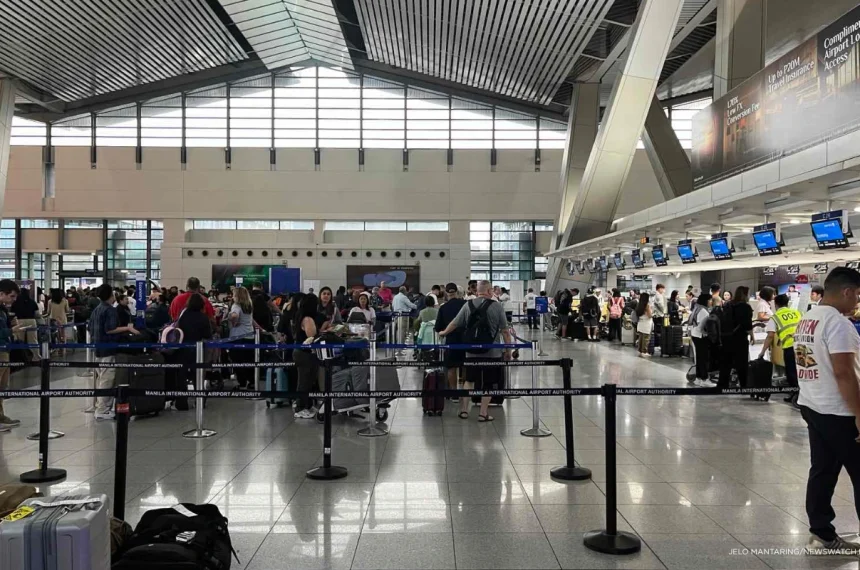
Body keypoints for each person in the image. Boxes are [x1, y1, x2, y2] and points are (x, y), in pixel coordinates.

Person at [792, 267, 860, 554]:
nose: (857, 301)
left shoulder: (808, 319)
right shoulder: (838, 324)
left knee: (823, 470)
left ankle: (822, 532)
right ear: (846, 291)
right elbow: (844, 373)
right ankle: (823, 533)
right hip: (840, 412)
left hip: (813, 405)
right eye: (857, 295)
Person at [439, 280, 512, 422]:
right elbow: (505, 331)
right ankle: (483, 413)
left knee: (469, 380)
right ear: (489, 291)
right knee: (489, 382)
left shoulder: (468, 305)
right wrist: (508, 350)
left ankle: (464, 410)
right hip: (492, 351)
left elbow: (455, 322)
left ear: (477, 291)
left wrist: (444, 332)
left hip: (471, 350)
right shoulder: (497, 306)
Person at [89, 284, 139, 420]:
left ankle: (100, 406)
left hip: (97, 347)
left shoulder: (97, 309)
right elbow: (110, 329)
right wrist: (127, 329)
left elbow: (90, 327)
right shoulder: (110, 310)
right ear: (110, 295)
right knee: (108, 379)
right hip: (108, 348)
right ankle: (103, 410)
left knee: (101, 378)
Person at [760, 293, 801, 404]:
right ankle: (797, 395)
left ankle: (796, 396)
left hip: (790, 347)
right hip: (802, 346)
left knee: (791, 373)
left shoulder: (775, 317)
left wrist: (762, 352)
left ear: (776, 304)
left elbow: (770, 336)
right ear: (787, 303)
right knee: (801, 372)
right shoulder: (797, 313)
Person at [175, 293, 213, 398]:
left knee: (182, 375)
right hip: (198, 348)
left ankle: (181, 401)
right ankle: (199, 399)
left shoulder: (183, 315)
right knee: (198, 374)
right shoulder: (203, 317)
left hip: (183, 347)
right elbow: (207, 335)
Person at [717, 286, 754, 389]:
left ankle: (722, 386)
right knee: (742, 364)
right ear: (745, 294)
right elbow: (747, 325)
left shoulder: (728, 304)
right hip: (739, 338)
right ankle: (743, 385)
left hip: (726, 337)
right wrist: (752, 336)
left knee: (725, 364)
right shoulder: (745, 307)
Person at [435, 283, 467, 401]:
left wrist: (444, 331)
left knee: (451, 367)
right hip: (465, 340)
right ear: (457, 292)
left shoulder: (443, 308)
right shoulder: (465, 304)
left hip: (451, 340)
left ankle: (454, 393)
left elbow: (438, 327)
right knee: (465, 366)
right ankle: (465, 391)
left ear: (446, 293)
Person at [292, 293, 320, 419]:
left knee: (309, 381)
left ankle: (307, 405)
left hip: (302, 352)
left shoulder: (300, 316)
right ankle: (300, 408)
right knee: (304, 381)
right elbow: (311, 335)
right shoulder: (307, 319)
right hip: (304, 354)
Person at [0, 280, 20, 431]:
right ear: (2, 294)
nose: (14, 300)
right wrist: (12, 330)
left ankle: (0, 416)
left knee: (2, 385)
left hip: (5, 349)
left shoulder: (3, 310)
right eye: (11, 296)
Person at [227, 286, 255, 390]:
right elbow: (251, 320)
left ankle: (242, 383)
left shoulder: (236, 306)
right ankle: (252, 382)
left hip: (238, 336)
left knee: (237, 361)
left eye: (234, 295)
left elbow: (234, 316)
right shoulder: (249, 306)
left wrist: (230, 318)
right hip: (250, 335)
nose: (232, 297)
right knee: (249, 361)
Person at [689, 293, 713, 385]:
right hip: (700, 336)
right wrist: (707, 333)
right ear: (706, 301)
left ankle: (698, 378)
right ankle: (704, 379)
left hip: (695, 335)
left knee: (699, 358)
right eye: (710, 300)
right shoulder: (703, 311)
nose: (711, 302)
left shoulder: (697, 307)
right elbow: (701, 326)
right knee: (703, 358)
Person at [11, 288, 40, 360]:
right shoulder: (32, 302)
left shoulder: (15, 302)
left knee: (20, 340)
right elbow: (37, 314)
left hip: (19, 321)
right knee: (33, 340)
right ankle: (36, 358)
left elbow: (12, 313)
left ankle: (21, 358)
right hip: (31, 321)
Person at [635, 292, 653, 357]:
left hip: (640, 323)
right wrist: (653, 313)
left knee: (641, 338)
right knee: (646, 338)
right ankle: (644, 352)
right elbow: (650, 315)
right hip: (646, 323)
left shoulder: (639, 304)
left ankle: (640, 351)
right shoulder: (647, 305)